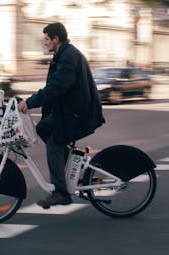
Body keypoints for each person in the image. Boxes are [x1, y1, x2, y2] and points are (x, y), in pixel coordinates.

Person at [18, 22, 105, 209]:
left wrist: (30, 102)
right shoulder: (63, 54)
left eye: (47, 39)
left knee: (54, 143)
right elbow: (54, 89)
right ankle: (72, 167)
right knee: (42, 128)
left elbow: (57, 87)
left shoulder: (68, 57)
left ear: (56, 39)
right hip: (71, 110)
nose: (44, 43)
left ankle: (61, 192)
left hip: (78, 113)